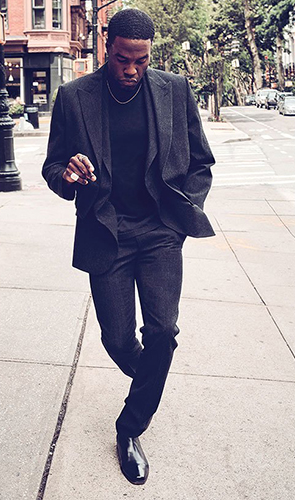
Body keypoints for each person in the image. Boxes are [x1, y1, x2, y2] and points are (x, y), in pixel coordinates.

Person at [42, 8, 215, 485]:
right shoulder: (75, 98)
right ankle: (150, 380)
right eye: (122, 59)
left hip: (160, 233)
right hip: (108, 234)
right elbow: (53, 168)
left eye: (140, 60)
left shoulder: (174, 90)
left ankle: (129, 427)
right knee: (117, 340)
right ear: (107, 49)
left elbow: (201, 162)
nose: (131, 69)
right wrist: (69, 174)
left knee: (162, 332)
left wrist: (181, 217)